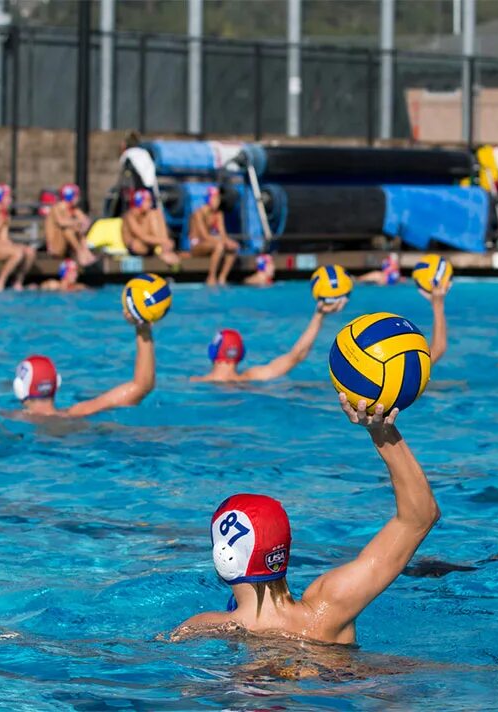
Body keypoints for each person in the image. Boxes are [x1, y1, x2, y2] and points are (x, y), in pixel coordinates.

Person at [172, 395, 440, 644]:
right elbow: (419, 517)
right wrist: (381, 431)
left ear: (223, 555)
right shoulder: (329, 608)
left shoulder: (199, 629)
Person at [13, 315, 155, 418]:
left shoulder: (14, 419)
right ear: (57, 384)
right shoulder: (81, 413)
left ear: (19, 389)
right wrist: (142, 328)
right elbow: (142, 386)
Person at [192, 300, 345, 384]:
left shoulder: (195, 382)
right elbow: (296, 356)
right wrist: (319, 315)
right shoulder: (252, 378)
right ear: (241, 354)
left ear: (212, 351)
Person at [0, 184, 36, 291]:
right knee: (17, 253)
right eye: (8, 197)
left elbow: (4, 237)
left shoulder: (4, 214)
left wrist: (13, 246)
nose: (10, 200)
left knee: (30, 251)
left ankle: (18, 282)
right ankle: (0, 281)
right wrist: (13, 248)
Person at [189, 186, 238, 286]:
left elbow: (223, 234)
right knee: (219, 246)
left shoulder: (218, 214)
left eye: (219, 199)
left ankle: (222, 277)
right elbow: (204, 236)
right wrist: (222, 241)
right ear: (208, 199)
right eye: (215, 199)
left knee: (232, 249)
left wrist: (229, 242)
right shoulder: (199, 213)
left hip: (210, 243)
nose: (217, 202)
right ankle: (211, 277)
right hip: (197, 245)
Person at [122, 189, 179, 267]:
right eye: (148, 201)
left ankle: (165, 251)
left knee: (156, 213)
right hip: (136, 246)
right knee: (138, 245)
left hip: (151, 243)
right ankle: (164, 251)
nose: (150, 203)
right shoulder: (130, 216)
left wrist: (164, 242)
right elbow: (142, 236)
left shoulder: (150, 213)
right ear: (139, 201)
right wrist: (164, 241)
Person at [45, 183, 96, 266]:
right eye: (76, 196)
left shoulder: (73, 209)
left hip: (67, 246)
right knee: (68, 229)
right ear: (69, 196)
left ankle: (86, 252)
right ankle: (80, 252)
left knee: (77, 229)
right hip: (55, 247)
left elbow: (86, 220)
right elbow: (61, 222)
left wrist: (82, 226)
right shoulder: (57, 208)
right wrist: (77, 223)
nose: (78, 198)